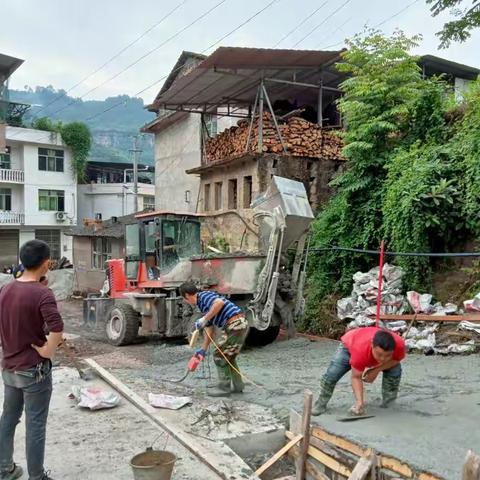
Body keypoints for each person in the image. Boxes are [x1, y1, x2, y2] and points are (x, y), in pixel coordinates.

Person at [0, 240, 64, 480]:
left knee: (8, 418)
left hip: (9, 367)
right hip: (33, 370)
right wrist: (48, 350)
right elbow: (57, 327)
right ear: (46, 263)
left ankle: (4, 469)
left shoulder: (6, 289)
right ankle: (37, 476)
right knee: (35, 425)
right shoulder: (42, 293)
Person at [312, 326, 406, 416]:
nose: (383, 359)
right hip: (349, 346)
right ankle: (320, 403)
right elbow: (356, 377)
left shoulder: (399, 345)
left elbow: (396, 360)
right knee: (332, 374)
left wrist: (376, 370)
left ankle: (389, 404)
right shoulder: (360, 350)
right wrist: (359, 402)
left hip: (364, 343)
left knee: (395, 370)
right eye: (379, 354)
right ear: (372, 345)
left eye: (387, 355)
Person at [179, 282, 248, 397]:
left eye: (185, 299)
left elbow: (219, 303)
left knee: (219, 355)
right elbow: (209, 329)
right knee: (228, 356)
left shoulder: (204, 296)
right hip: (236, 325)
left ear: (186, 296)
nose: (187, 302)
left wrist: (204, 318)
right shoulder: (203, 306)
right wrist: (203, 350)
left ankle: (224, 389)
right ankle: (238, 385)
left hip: (235, 324)